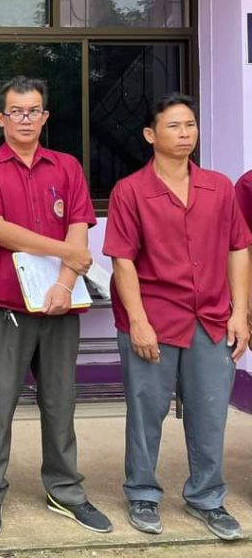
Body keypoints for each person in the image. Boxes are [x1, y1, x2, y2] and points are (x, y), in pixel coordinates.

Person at [0, 75, 111, 537]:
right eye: (16, 111)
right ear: (0, 118)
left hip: (61, 304)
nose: (24, 119)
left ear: (45, 116)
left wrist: (65, 284)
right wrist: (66, 252)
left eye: (33, 111)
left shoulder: (66, 166)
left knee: (60, 401)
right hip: (4, 302)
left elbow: (79, 226)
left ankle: (65, 489)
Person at [103, 93, 251, 541]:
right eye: (174, 126)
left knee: (210, 412)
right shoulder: (130, 191)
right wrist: (138, 320)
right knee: (145, 411)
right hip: (154, 318)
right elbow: (122, 261)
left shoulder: (219, 188)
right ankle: (142, 494)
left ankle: (207, 497)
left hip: (211, 318)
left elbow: (238, 248)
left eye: (190, 125)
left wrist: (240, 312)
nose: (185, 134)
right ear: (150, 134)